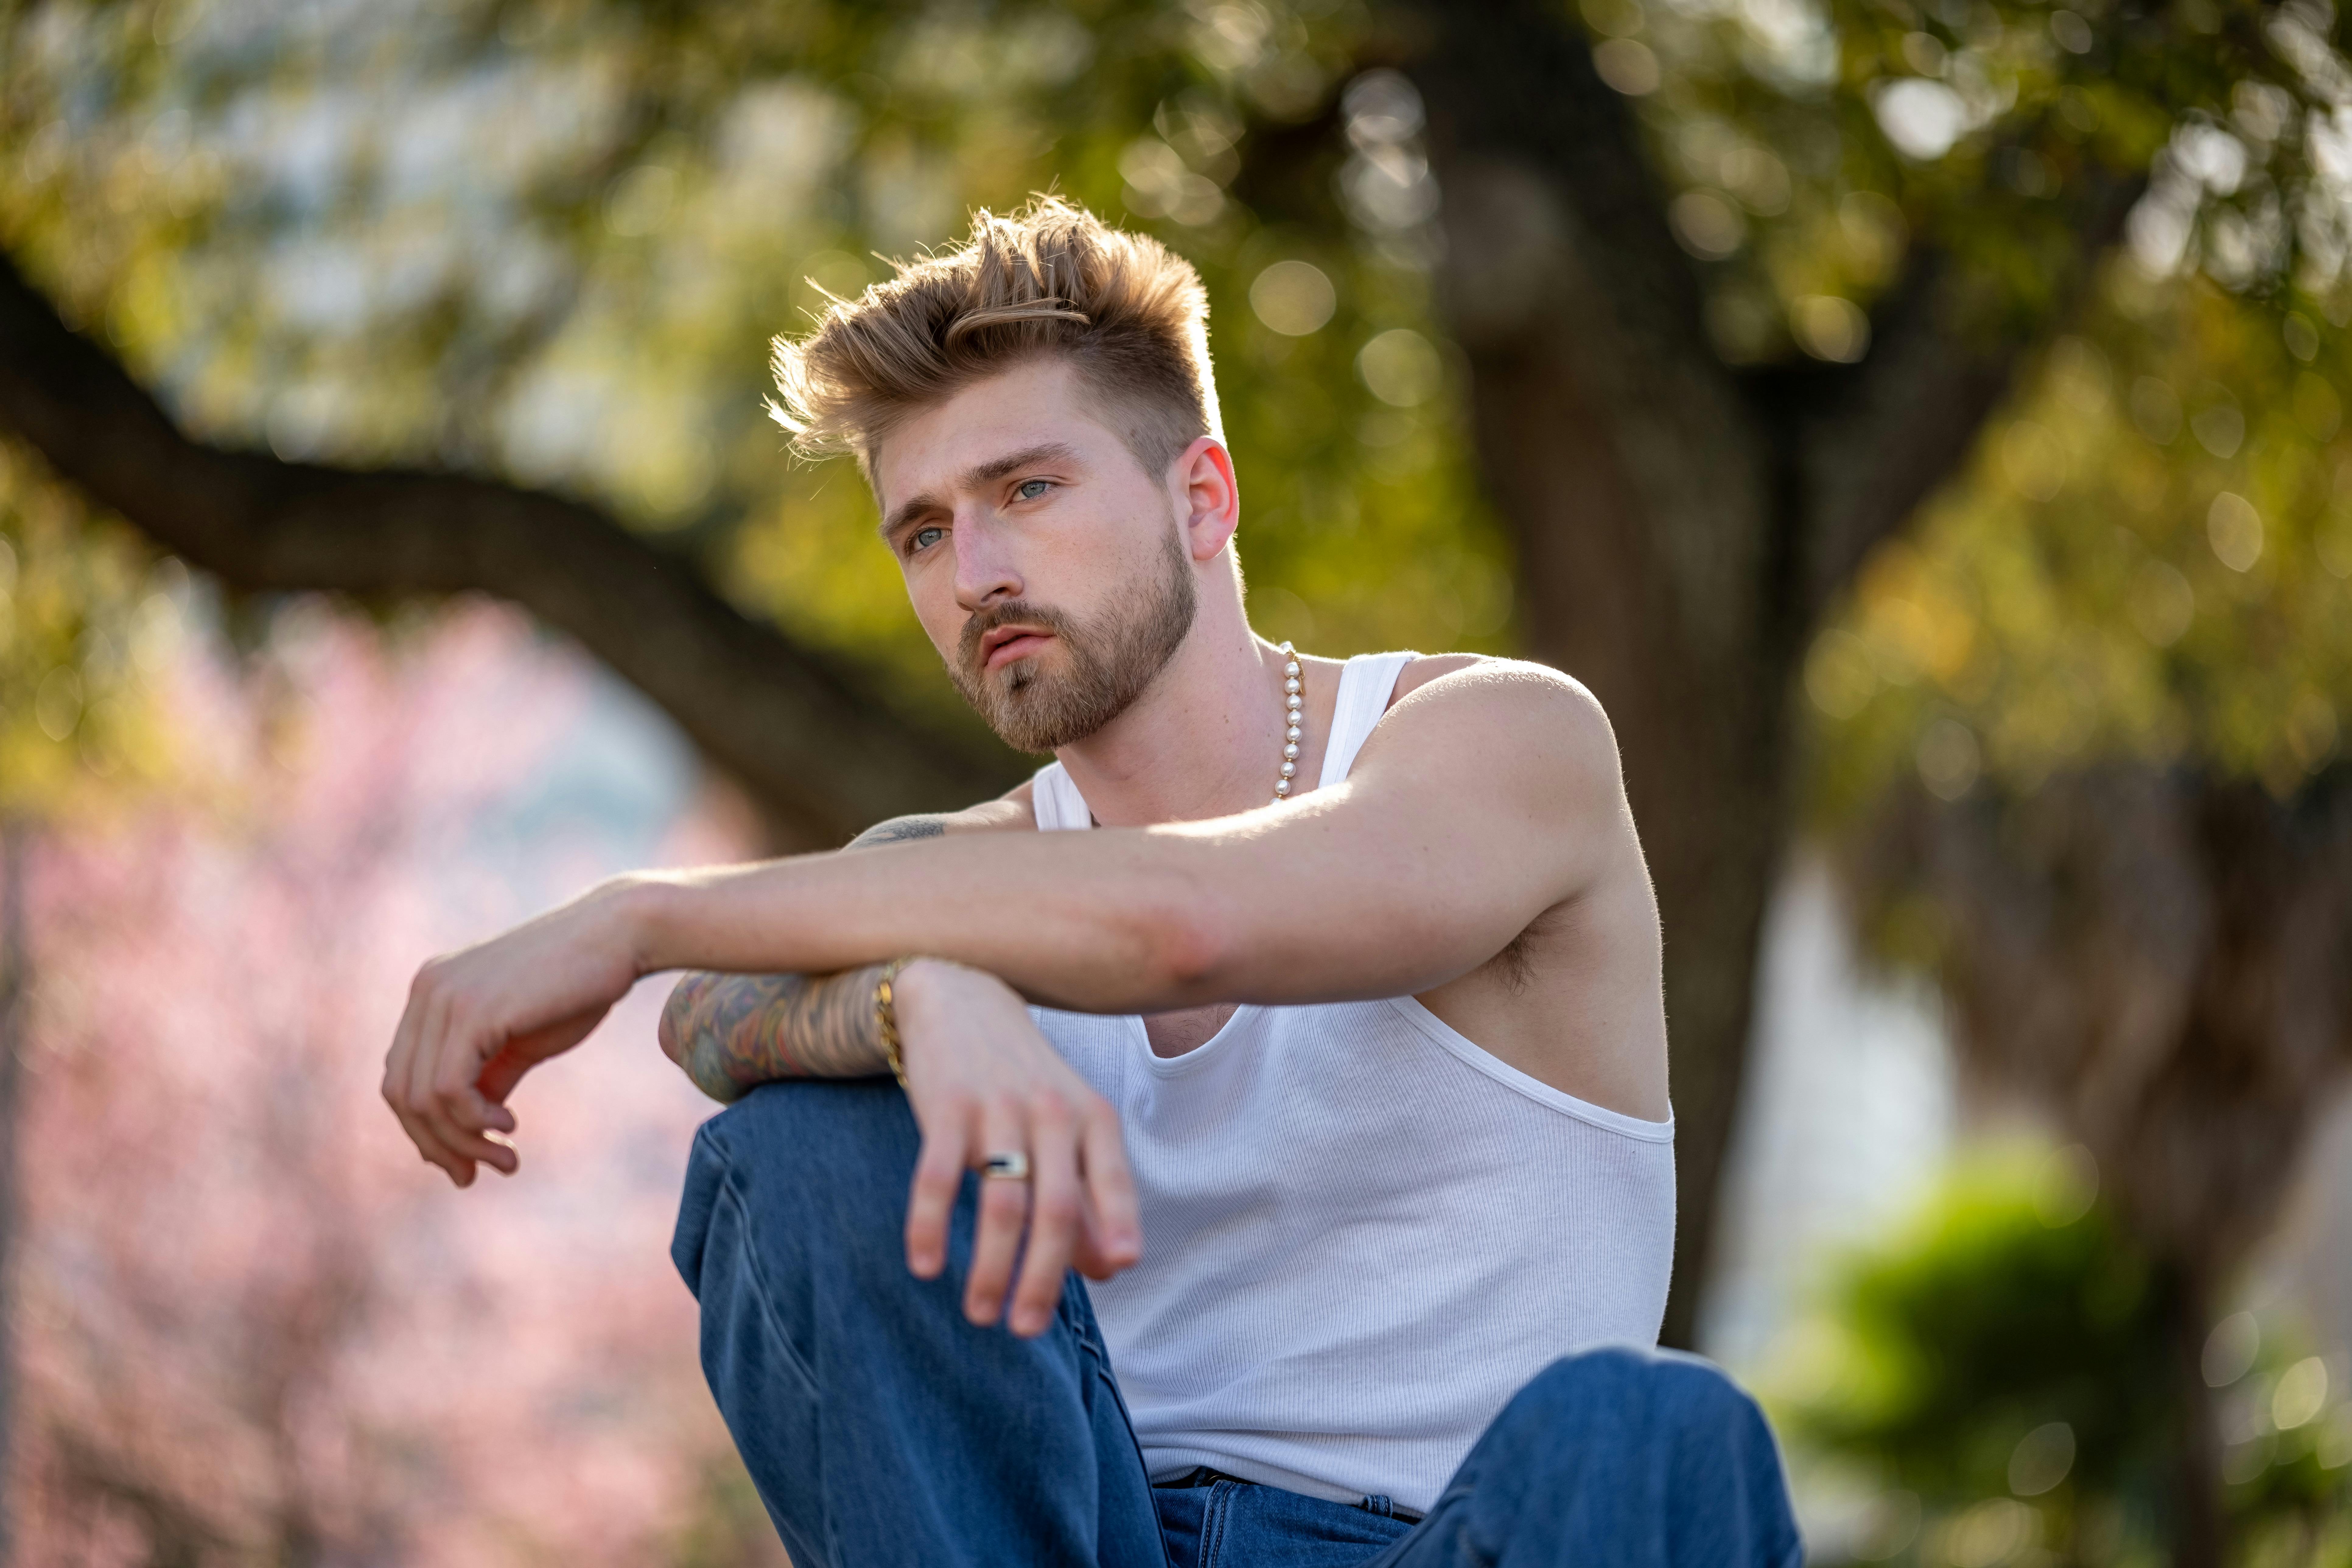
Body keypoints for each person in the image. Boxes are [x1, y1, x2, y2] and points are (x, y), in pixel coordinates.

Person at [380, 197, 1802, 1568]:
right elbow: (716, 1022)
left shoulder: (1497, 744)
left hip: (1469, 1535)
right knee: (807, 1149)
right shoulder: (957, 885)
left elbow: (1185, 924)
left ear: (1203, 497)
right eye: (924, 531)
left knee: (1659, 1430)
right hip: (1077, 1531)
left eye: (1028, 489)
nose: (975, 572)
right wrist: (918, 1002)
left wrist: (635, 912)